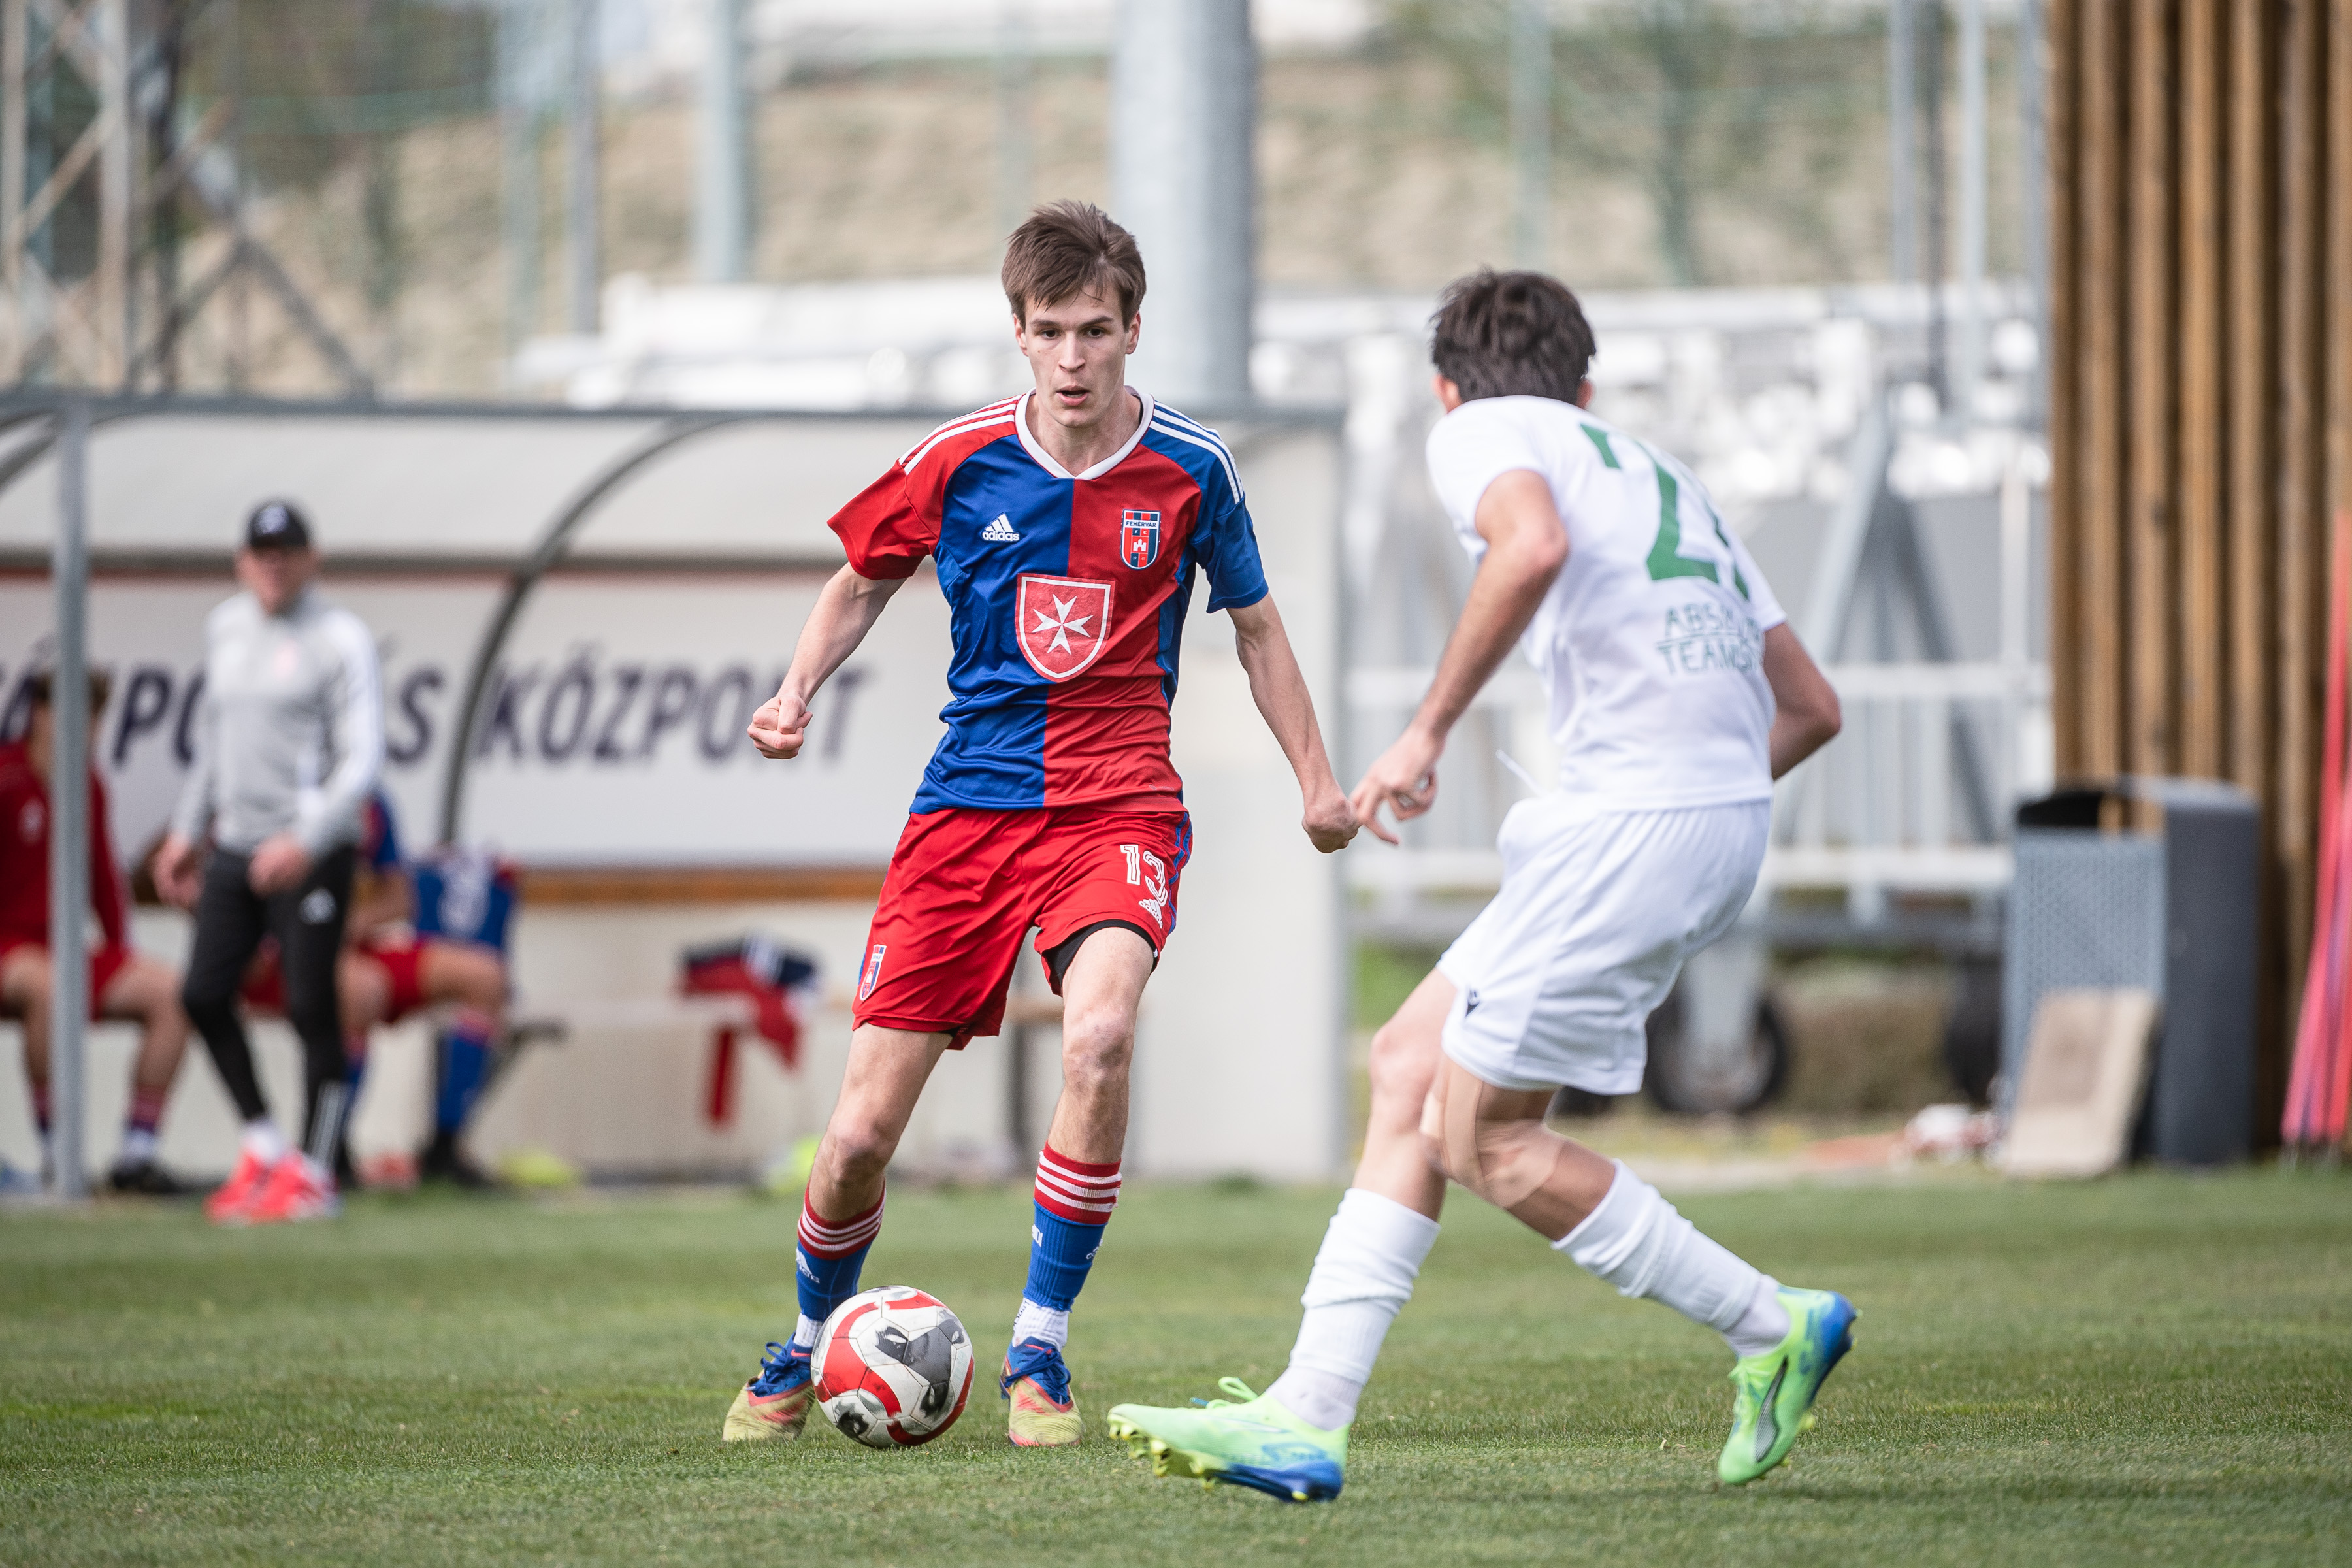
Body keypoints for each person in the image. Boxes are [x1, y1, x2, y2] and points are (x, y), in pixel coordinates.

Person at [1104, 270, 1850, 1499]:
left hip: (1631, 827)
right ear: (1586, 389)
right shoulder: (1659, 474)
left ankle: (1772, 1324)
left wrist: (1426, 732)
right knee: (1409, 1065)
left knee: (1483, 1138)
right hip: (1702, 821)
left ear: (1447, 390)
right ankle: (1307, 1416)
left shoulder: (1483, 432)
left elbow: (1531, 543)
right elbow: (1812, 708)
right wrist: (1697, 804)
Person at [721, 200, 1358, 1448]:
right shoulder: (959, 460)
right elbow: (860, 581)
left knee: (1101, 1035)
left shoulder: (1193, 469)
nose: (1074, 358)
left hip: (1119, 805)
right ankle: (802, 1343)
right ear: (1018, 332)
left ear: (1134, 330)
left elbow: (1259, 629)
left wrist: (1318, 786)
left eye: (1096, 331)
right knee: (857, 1138)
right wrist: (794, 691)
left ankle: (1040, 1350)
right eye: (1052, 331)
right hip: (968, 812)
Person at [155, 500, 384, 1226]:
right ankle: (264, 1146)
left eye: (286, 551)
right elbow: (214, 741)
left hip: (311, 850)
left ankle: (316, 1171)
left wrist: (306, 838)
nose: (273, 564)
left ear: (312, 558)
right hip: (237, 844)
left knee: (311, 1005)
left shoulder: (339, 637)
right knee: (201, 994)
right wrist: (186, 832)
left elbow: (363, 759)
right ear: (242, 561)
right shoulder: (225, 627)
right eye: (261, 552)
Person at [0, 669, 193, 1194]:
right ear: (39, 714)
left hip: (62, 949)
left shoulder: (88, 785)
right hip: (11, 949)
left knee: (175, 995)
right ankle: (56, 1155)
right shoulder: (8, 778)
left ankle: (137, 1155)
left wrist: (121, 951)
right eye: (67, 712)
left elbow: (104, 880)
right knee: (50, 988)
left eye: (90, 716)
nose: (81, 728)